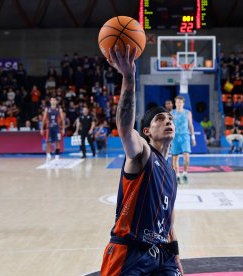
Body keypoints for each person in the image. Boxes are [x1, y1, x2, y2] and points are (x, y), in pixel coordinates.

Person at [100, 45, 184, 276]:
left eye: (170, 119)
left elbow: (169, 223)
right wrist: (129, 77)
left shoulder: (171, 173)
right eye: (160, 119)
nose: (168, 121)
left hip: (161, 255)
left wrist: (175, 254)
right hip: (129, 252)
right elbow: (125, 128)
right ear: (147, 130)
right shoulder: (143, 152)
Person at [171, 96, 196, 184]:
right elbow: (169, 126)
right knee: (175, 158)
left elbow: (190, 125)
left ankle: (185, 173)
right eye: (177, 102)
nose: (179, 104)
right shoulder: (172, 113)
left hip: (185, 136)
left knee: (186, 158)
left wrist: (193, 137)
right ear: (175, 103)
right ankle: (177, 175)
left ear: (183, 103)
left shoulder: (188, 113)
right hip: (175, 137)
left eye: (180, 102)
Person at [41, 97, 65, 163]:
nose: (53, 101)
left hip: (57, 128)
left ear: (56, 102)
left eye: (54, 100)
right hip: (49, 128)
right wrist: (42, 129)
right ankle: (48, 155)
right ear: (50, 101)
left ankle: (57, 157)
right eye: (52, 100)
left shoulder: (59, 109)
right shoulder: (47, 109)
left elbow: (62, 120)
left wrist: (63, 129)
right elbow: (43, 120)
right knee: (48, 142)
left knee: (57, 142)